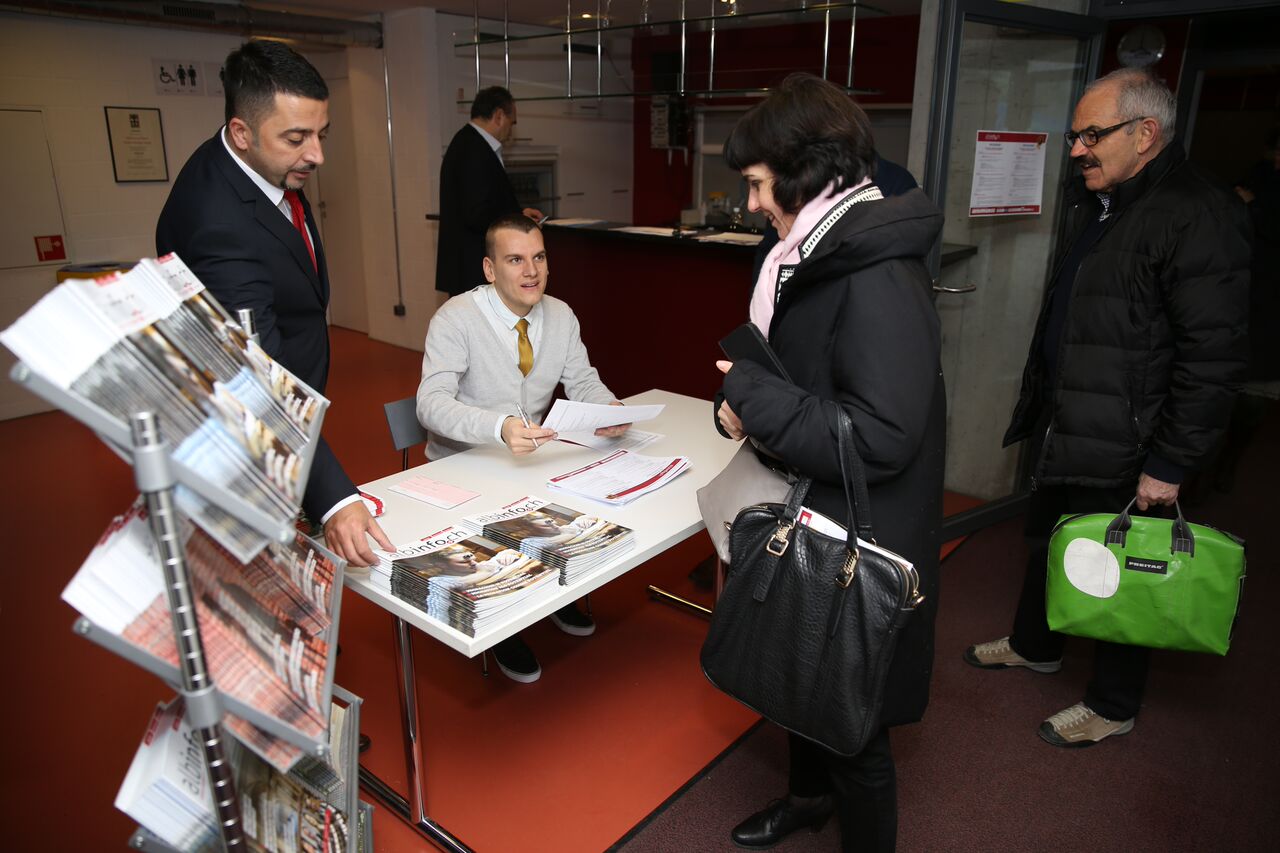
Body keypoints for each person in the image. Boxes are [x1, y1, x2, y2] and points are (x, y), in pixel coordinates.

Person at [964, 68, 1251, 747]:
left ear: (1145, 133)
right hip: (1073, 418)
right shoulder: (1107, 201)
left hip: (1131, 436)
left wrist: (1171, 462)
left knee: (1122, 566)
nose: (1076, 149)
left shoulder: (1198, 212)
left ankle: (1112, 703)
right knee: (1050, 540)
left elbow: (1213, 357)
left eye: (1091, 135)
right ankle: (1036, 644)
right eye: (1075, 135)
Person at [714, 73, 946, 852]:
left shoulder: (876, 272)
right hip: (815, 500)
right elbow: (797, 374)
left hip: (861, 523)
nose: (752, 203)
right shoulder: (815, 251)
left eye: (757, 183)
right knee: (799, 675)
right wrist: (739, 400)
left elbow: (881, 435)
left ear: (805, 171)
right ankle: (808, 799)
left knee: (853, 720)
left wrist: (754, 397)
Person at [155, 40, 392, 569]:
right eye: (297, 138)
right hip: (249, 437)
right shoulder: (217, 223)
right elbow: (256, 378)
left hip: (291, 410)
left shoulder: (255, 162)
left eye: (321, 134)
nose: (317, 155)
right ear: (242, 132)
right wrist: (334, 499)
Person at [416, 213, 628, 682]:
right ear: (490, 269)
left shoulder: (561, 314)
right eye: (515, 260)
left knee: (587, 495)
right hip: (464, 465)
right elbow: (430, 405)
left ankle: (554, 590)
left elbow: (583, 381)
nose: (531, 271)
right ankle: (503, 623)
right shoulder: (456, 318)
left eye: (539, 258)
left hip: (532, 459)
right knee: (516, 515)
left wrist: (608, 408)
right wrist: (499, 427)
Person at [436, 86, 544, 296]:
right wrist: (516, 222)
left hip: (469, 264)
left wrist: (519, 213)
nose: (511, 130)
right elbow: (477, 213)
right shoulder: (473, 149)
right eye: (512, 122)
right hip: (473, 267)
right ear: (499, 116)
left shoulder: (468, 142)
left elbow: (484, 200)